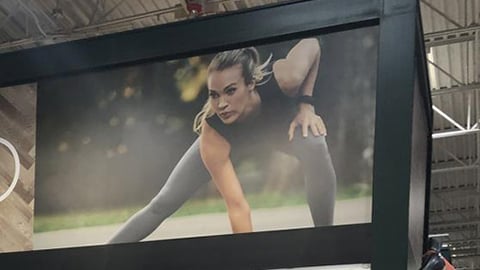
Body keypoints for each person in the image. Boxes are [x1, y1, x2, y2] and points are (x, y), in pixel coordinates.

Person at [108, 38, 336, 242]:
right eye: (214, 95)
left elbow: (312, 43)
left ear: (250, 84)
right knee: (161, 204)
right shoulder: (214, 131)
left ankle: (326, 241)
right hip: (231, 140)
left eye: (230, 91)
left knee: (315, 142)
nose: (222, 104)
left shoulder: (286, 78)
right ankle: (104, 256)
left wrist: (307, 105)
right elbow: (237, 207)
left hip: (281, 130)